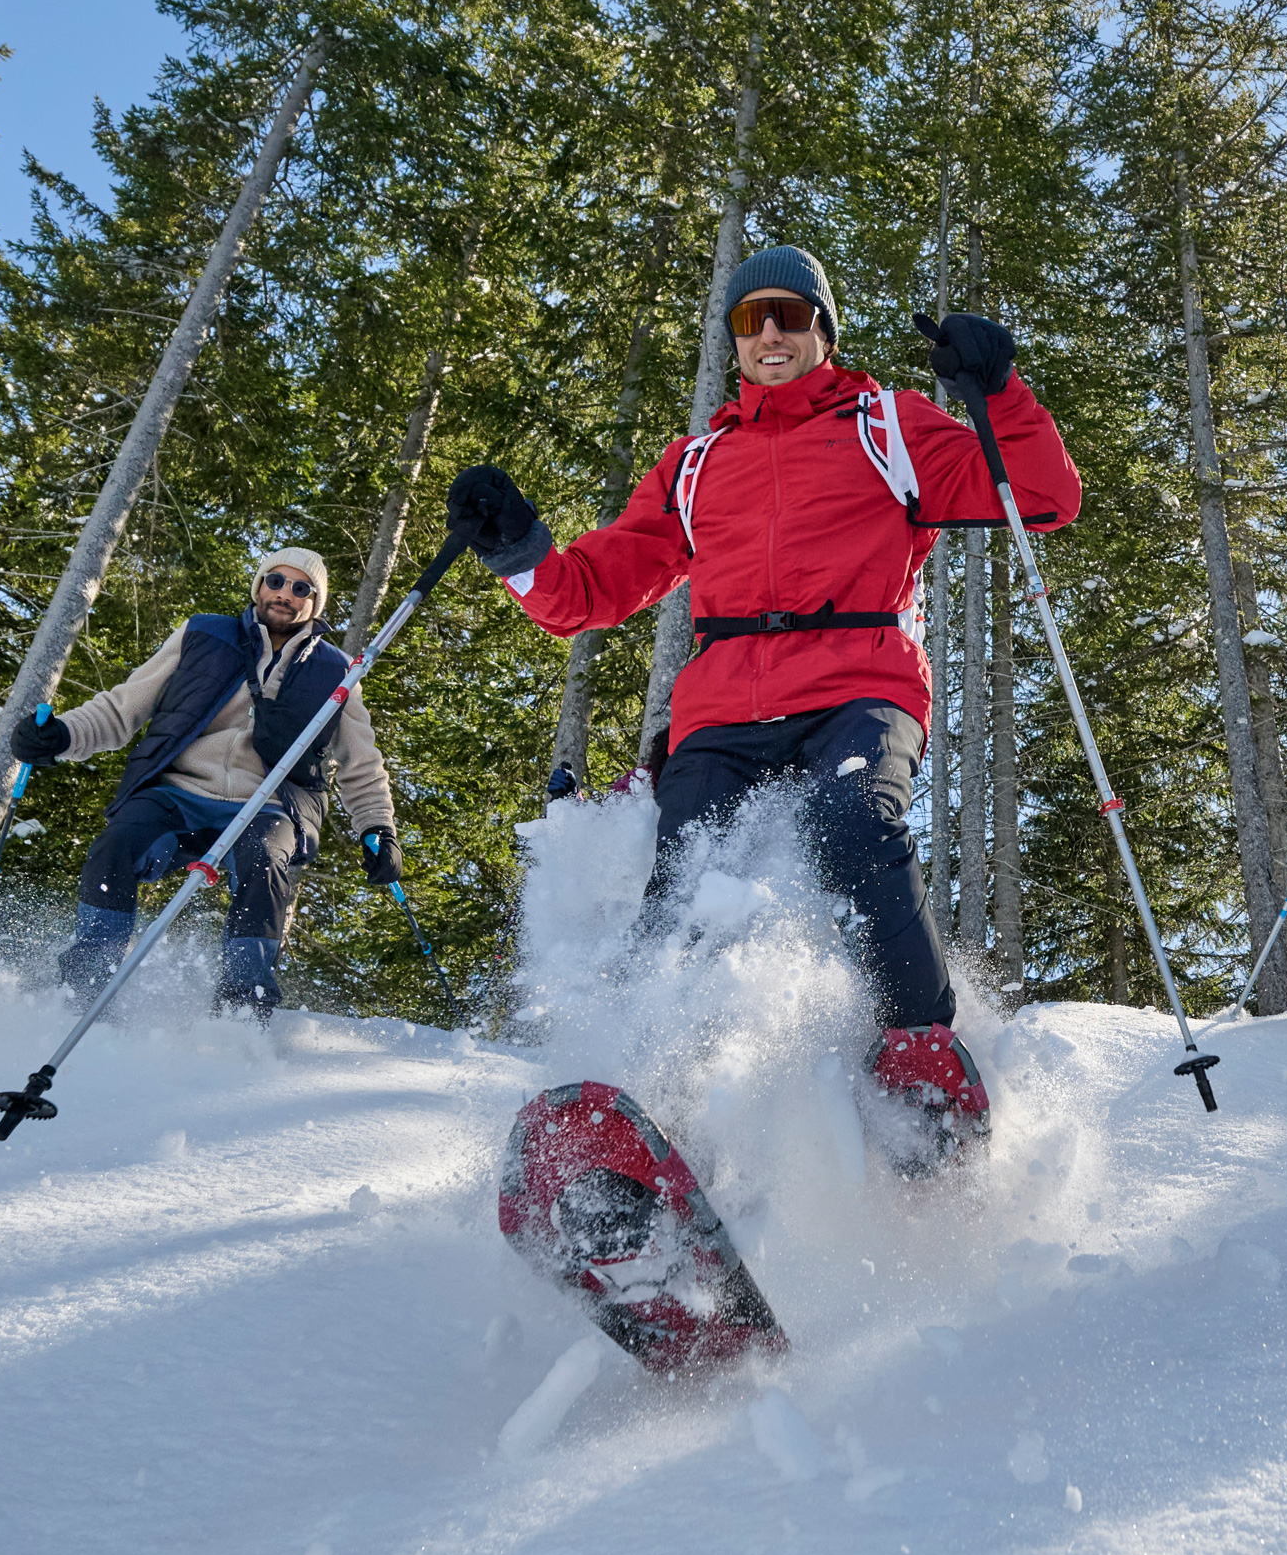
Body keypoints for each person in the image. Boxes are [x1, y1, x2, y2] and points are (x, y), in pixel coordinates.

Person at [443, 246, 1079, 1160]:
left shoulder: (888, 425)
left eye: (788, 314)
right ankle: (662, 1123)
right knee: (687, 878)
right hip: (724, 708)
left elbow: (1045, 499)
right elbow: (588, 593)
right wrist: (517, 549)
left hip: (858, 685)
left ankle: (921, 1057)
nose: (770, 332)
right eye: (751, 320)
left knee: (854, 821)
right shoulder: (695, 464)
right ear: (734, 341)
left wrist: (1002, 390)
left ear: (823, 328)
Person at [5, 545, 401, 1017]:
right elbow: (122, 708)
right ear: (259, 585)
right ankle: (85, 986)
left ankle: (241, 1007)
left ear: (314, 604)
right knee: (118, 844)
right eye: (276, 581)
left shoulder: (337, 671)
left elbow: (361, 763)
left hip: (269, 805)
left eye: (302, 589)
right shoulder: (202, 634)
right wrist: (61, 735)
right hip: (177, 791)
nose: (285, 594)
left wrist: (378, 828)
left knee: (265, 860)